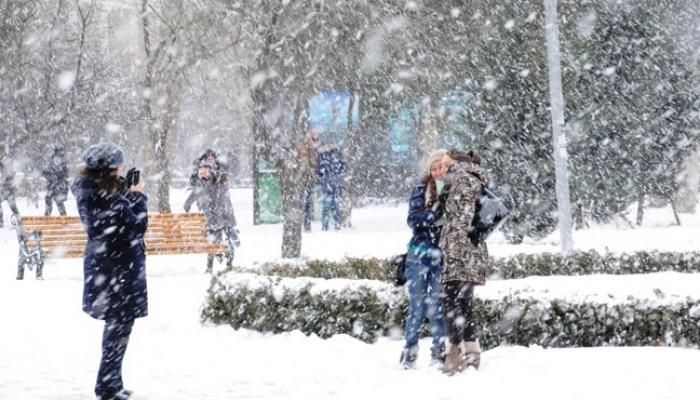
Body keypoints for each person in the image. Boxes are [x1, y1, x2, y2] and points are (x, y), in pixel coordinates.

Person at [71, 143, 148, 400]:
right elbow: (136, 226)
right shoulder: (103, 196)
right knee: (119, 328)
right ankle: (107, 387)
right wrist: (138, 196)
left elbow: (116, 219)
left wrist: (126, 190)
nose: (122, 169)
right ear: (108, 170)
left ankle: (112, 383)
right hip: (116, 270)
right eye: (119, 166)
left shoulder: (97, 192)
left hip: (112, 268)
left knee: (119, 327)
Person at [438, 149, 489, 375]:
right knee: (463, 303)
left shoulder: (462, 179)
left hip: (462, 252)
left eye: (446, 162)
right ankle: (470, 352)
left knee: (452, 303)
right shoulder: (471, 178)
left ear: (457, 163)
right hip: (470, 250)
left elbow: (463, 217)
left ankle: (456, 354)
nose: (442, 166)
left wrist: (454, 247)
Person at [399, 150, 448, 369]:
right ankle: (409, 352)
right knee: (417, 306)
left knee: (437, 306)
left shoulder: (454, 191)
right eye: (434, 168)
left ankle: (439, 352)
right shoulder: (421, 188)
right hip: (418, 255)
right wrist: (433, 214)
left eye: (441, 168)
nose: (438, 172)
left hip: (442, 256)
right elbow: (413, 219)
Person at [189, 159, 239, 273]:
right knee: (213, 241)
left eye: (205, 171)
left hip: (223, 216)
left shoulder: (217, 181)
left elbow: (221, 197)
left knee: (227, 240)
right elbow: (195, 194)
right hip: (213, 218)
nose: (203, 174)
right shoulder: (201, 183)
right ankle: (211, 265)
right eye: (201, 172)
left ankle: (228, 263)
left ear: (210, 171)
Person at [316, 144, 345, 231]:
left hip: (332, 186)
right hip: (330, 186)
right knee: (330, 206)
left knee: (332, 206)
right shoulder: (325, 158)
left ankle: (333, 224)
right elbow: (320, 172)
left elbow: (342, 169)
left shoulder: (333, 157)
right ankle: (331, 224)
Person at [299, 131, 319, 232]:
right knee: (306, 202)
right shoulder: (307, 149)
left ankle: (306, 223)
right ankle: (306, 223)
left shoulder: (307, 148)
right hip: (306, 177)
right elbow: (312, 162)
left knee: (306, 201)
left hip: (306, 177)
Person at [42, 144, 70, 216]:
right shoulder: (51, 161)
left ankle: (63, 216)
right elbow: (44, 172)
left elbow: (66, 173)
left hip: (59, 184)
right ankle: (48, 215)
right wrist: (50, 176)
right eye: (59, 151)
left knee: (58, 201)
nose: (60, 153)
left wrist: (58, 176)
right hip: (52, 184)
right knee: (49, 199)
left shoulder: (63, 162)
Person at [0, 157, 20, 227]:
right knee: (13, 207)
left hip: (8, 190)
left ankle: (18, 221)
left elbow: (9, 176)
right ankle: (17, 220)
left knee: (13, 207)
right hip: (5, 190)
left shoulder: (7, 165)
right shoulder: (5, 166)